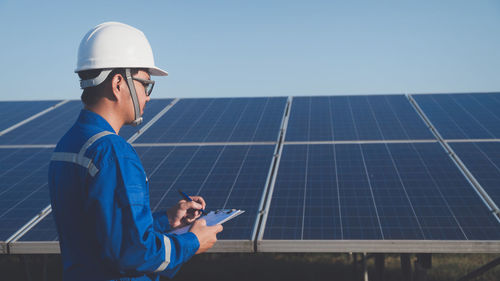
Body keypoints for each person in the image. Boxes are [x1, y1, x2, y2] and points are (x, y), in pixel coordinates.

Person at [48, 22, 223, 281]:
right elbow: (134, 252)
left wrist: (166, 221)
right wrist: (193, 241)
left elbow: (105, 233)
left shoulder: (70, 144)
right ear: (119, 83)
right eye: (145, 85)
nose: (148, 96)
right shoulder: (112, 152)